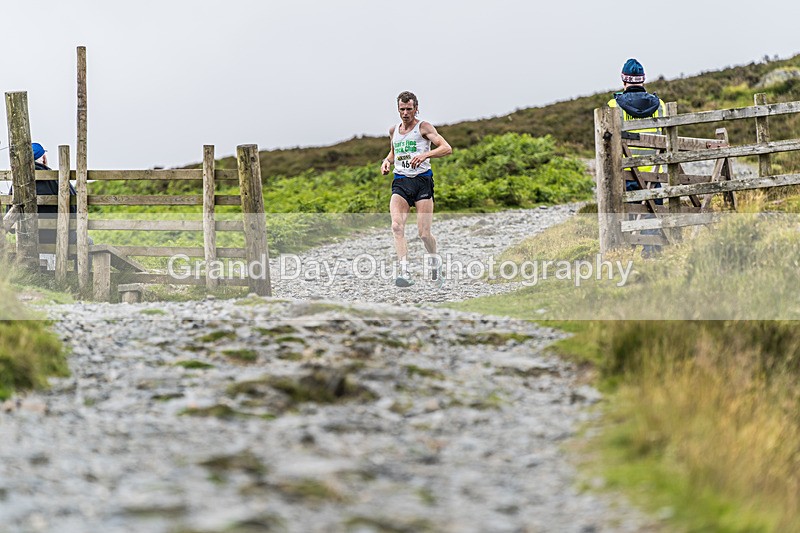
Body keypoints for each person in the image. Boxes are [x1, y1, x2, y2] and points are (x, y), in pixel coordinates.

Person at [381, 91, 452, 288]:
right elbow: (395, 152)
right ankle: (405, 272)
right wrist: (387, 161)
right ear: (398, 109)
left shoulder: (424, 127)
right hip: (401, 181)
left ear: (416, 108)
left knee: (424, 234)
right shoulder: (393, 130)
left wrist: (425, 155)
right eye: (402, 109)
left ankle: (435, 264)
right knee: (396, 226)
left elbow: (446, 148)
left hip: (422, 182)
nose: (405, 113)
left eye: (409, 109)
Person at [607, 59, 666, 257]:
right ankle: (651, 250)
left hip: (627, 169)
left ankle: (629, 249)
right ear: (643, 80)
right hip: (654, 170)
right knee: (652, 207)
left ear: (624, 80)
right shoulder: (661, 105)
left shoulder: (613, 105)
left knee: (629, 208)